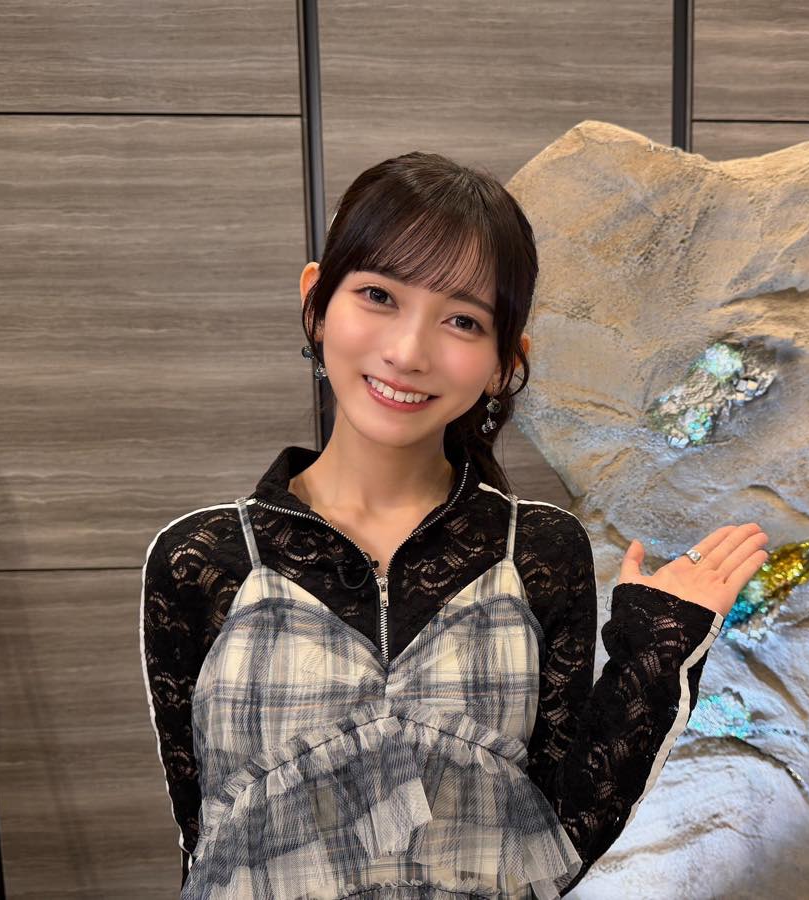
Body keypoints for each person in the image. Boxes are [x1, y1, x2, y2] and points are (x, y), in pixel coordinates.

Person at [139, 151, 770, 899]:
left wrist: (658, 648)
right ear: (316, 302)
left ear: (506, 362)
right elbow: (204, 843)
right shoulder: (202, 557)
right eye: (379, 295)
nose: (408, 352)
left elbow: (559, 837)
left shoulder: (539, 550)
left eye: (463, 320)